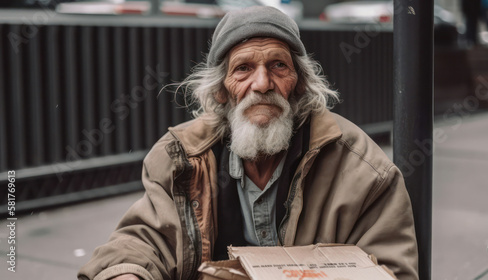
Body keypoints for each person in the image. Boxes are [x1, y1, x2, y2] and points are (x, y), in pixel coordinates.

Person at [78, 6, 418, 280]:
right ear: (222, 90)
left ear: (298, 83)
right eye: (243, 68)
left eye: (278, 66)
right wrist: (127, 273)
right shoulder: (180, 159)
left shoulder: (362, 170)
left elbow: (392, 270)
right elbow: (143, 240)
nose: (262, 83)